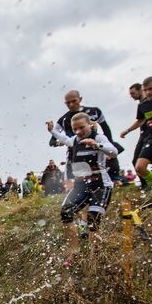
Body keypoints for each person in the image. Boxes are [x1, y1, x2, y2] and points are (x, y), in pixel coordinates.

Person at [47, 113, 118, 267]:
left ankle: (95, 256)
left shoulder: (98, 137)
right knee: (66, 212)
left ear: (89, 125)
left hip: (100, 183)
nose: (79, 131)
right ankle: (74, 253)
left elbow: (114, 151)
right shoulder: (74, 140)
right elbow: (65, 139)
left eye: (82, 128)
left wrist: (97, 145)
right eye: (75, 129)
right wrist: (52, 131)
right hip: (81, 184)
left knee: (93, 218)